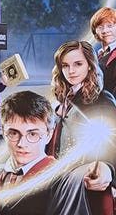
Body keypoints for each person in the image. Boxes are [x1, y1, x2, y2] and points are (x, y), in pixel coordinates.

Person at [0, 90, 103, 215]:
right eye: (14, 133)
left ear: (49, 135)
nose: (22, 143)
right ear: (3, 132)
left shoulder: (64, 181)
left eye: (33, 134)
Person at [47, 40, 116, 213]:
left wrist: (109, 169)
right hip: (61, 183)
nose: (71, 71)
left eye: (78, 64)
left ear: (90, 65)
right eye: (65, 65)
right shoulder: (62, 100)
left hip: (89, 186)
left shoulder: (102, 100)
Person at [90, 7, 116, 96]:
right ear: (95, 31)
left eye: (110, 26)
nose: (105, 31)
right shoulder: (96, 56)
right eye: (100, 27)